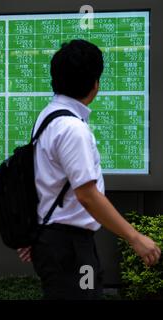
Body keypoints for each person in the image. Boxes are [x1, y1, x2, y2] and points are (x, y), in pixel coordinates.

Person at [16, 39, 161, 299]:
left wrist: (38, 231)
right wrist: (135, 237)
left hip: (56, 241)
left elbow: (43, 181)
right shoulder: (73, 129)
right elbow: (87, 195)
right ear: (95, 84)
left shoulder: (48, 116)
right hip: (69, 246)